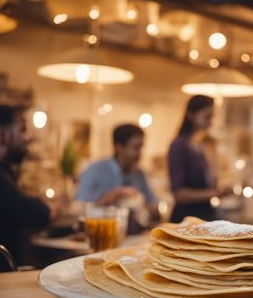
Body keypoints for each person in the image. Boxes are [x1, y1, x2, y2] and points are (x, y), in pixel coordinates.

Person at [0, 104, 51, 269]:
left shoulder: (4, 171)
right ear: (2, 135)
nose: (29, 137)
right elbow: (38, 213)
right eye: (22, 130)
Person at [168, 95, 230, 223]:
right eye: (207, 117)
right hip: (187, 218)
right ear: (191, 115)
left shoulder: (198, 145)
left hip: (205, 215)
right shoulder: (179, 146)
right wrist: (214, 193)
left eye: (212, 117)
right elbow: (179, 194)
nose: (210, 122)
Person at [76, 123, 158, 215]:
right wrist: (115, 194)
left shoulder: (139, 173)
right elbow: (80, 210)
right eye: (136, 147)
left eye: (141, 147)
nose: (140, 153)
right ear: (119, 147)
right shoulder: (94, 171)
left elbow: (153, 204)